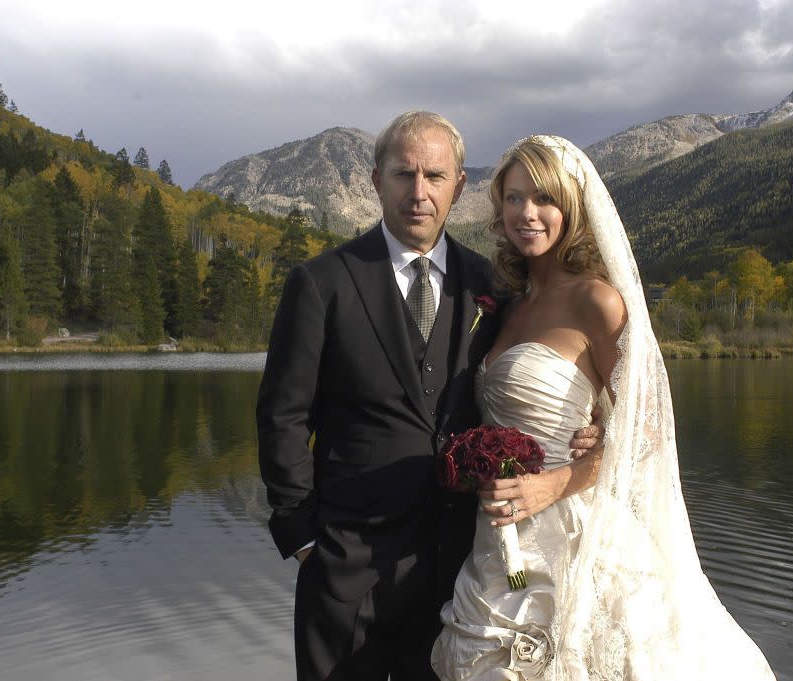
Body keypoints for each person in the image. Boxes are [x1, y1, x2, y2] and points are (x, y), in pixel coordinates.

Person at [257, 112, 601, 681]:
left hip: (461, 570)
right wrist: (303, 538)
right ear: (376, 181)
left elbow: (551, 376)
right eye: (404, 174)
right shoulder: (323, 283)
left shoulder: (490, 286)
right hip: (346, 565)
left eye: (435, 176)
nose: (419, 193)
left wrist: (595, 429)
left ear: (459, 185)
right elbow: (283, 415)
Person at [431, 135, 777, 681]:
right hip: (500, 532)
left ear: (572, 207)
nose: (528, 214)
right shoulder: (510, 305)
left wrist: (558, 479)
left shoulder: (597, 300)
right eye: (515, 198)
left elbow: (650, 432)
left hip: (573, 528)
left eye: (544, 200)